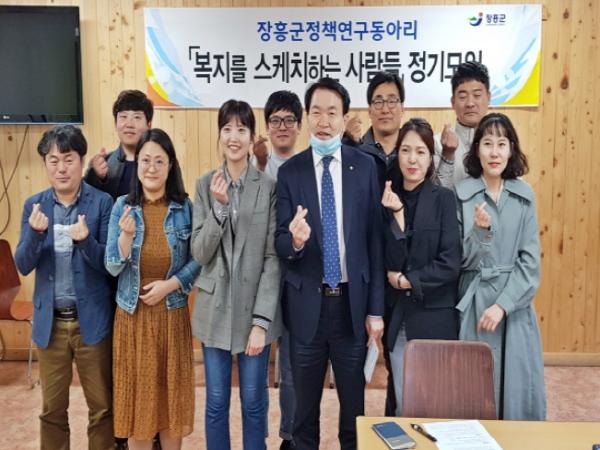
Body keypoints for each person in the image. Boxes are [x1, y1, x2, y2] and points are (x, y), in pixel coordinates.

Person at [275, 77, 384, 450]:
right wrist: (296, 241)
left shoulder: (365, 167)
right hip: (307, 307)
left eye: (332, 112)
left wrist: (375, 310)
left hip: (351, 307)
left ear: (344, 117)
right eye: (317, 112)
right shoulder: (291, 172)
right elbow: (280, 241)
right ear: (307, 116)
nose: (324, 121)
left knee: (354, 413)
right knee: (304, 416)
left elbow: (374, 243)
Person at [14, 125, 115, 450]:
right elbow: (22, 264)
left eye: (68, 159)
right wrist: (35, 235)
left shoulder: (101, 203)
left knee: (102, 408)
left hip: (92, 323)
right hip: (51, 325)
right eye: (53, 160)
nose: (61, 168)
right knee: (52, 411)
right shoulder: (34, 205)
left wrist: (85, 242)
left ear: (81, 161)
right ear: (45, 164)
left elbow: (109, 264)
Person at [191, 99, 282, 450]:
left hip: (253, 311)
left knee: (254, 402)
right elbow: (200, 253)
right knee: (216, 402)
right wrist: (219, 209)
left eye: (241, 129)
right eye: (227, 129)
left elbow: (272, 258)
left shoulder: (268, 186)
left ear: (252, 136)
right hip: (214, 310)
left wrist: (261, 322)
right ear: (219, 135)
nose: (234, 137)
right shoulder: (204, 185)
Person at [105, 128, 200, 450]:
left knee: (172, 408)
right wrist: (126, 237)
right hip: (132, 321)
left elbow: (198, 260)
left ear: (170, 165)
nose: (151, 167)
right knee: (139, 410)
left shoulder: (185, 207)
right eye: (145, 160)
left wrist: (171, 285)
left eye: (159, 161)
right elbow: (112, 266)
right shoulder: (122, 207)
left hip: (172, 318)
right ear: (137, 164)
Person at [455, 112, 546, 420]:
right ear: (477, 149)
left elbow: (530, 264)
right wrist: (480, 233)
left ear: (511, 150)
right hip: (475, 304)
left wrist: (503, 305)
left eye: (502, 144)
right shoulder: (462, 194)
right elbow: (460, 261)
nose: (494, 152)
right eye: (487, 143)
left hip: (514, 308)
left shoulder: (524, 195)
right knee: (473, 391)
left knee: (517, 392)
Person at [381, 118, 462, 415]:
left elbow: (450, 262)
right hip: (399, 317)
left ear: (431, 158)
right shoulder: (387, 199)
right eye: (405, 150)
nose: (412, 159)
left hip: (435, 317)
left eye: (420, 151)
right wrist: (398, 216)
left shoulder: (444, 199)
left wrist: (408, 280)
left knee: (437, 404)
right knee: (404, 402)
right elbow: (388, 262)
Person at [251, 90, 303, 450]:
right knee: (254, 366)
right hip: (259, 279)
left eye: (288, 120)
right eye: (275, 120)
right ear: (267, 127)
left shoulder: (307, 168)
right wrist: (259, 164)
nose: (282, 126)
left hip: (296, 278)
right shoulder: (256, 166)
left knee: (291, 368)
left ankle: (289, 436)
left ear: (299, 126)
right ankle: (256, 438)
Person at [85, 89, 153, 199]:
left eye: (136, 117)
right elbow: (86, 201)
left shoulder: (160, 163)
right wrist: (97, 176)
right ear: (115, 123)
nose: (129, 124)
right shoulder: (104, 164)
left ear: (149, 125)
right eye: (123, 117)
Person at [434, 61, 491, 188]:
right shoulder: (437, 143)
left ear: (488, 97)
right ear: (453, 102)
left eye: (477, 95)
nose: (470, 103)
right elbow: (436, 193)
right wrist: (447, 154)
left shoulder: (500, 143)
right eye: (463, 96)